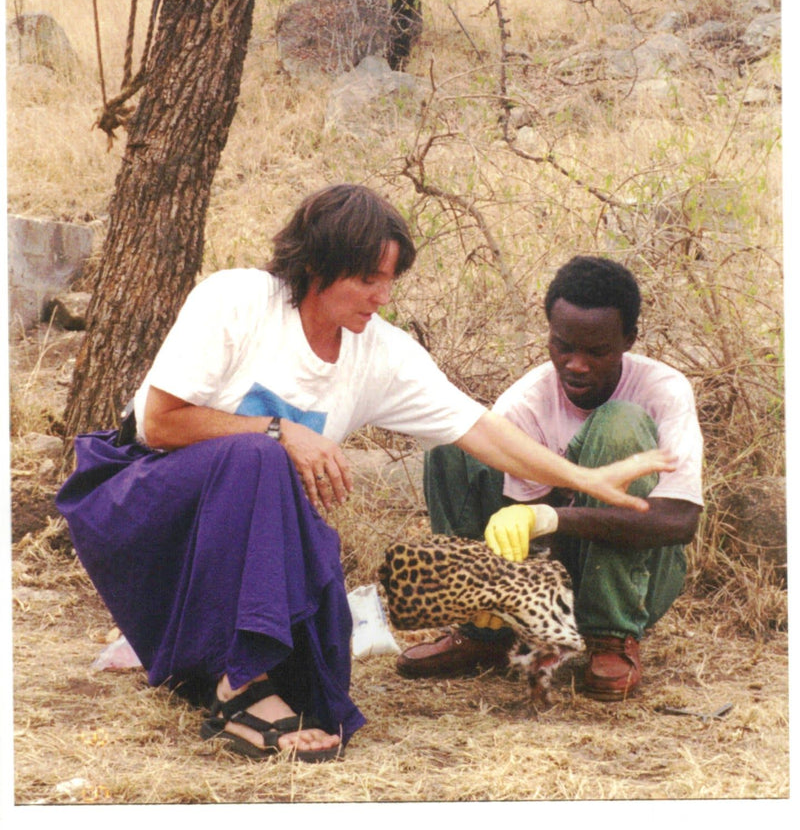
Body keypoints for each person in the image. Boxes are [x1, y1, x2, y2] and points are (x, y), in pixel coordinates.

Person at [57, 189, 674, 761]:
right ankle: (237, 690)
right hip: (140, 509)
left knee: (323, 686)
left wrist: (585, 477)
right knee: (258, 457)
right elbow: (161, 424)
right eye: (368, 279)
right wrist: (278, 430)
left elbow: (479, 430)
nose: (383, 297)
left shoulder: (380, 351)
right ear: (316, 268)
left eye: (390, 280)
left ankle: (211, 660)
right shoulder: (236, 300)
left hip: (235, 548)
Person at [396, 255, 703, 700]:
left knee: (619, 422)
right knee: (453, 441)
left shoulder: (663, 390)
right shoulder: (528, 400)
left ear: (628, 340)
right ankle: (484, 633)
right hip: (548, 575)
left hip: (637, 579)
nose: (576, 364)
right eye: (563, 346)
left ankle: (612, 637)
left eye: (596, 352)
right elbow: (518, 532)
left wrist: (551, 517)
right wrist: (497, 590)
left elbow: (679, 522)